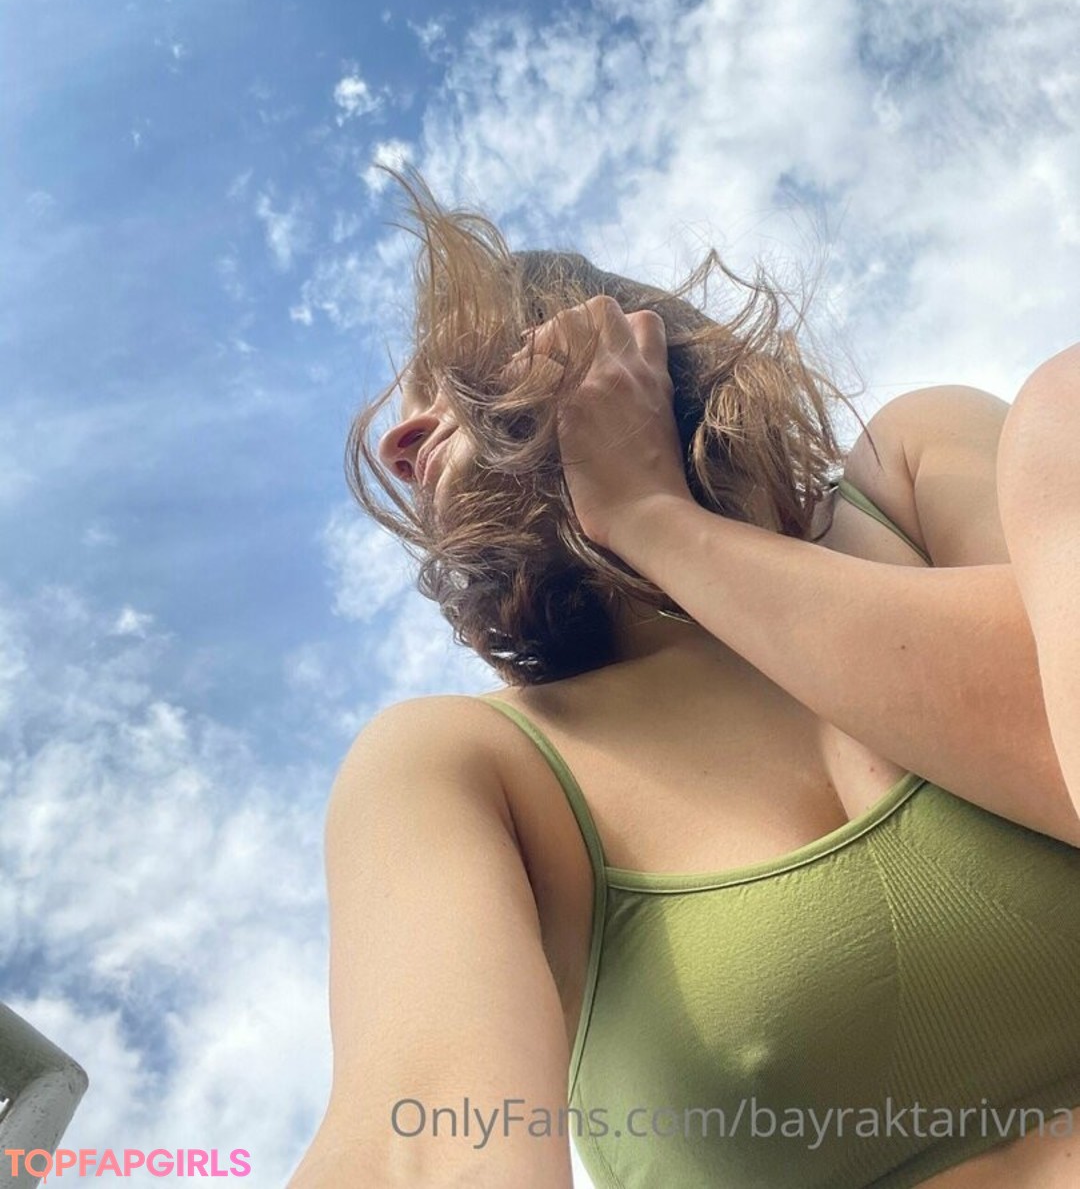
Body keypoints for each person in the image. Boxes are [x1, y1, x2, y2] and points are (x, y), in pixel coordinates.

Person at [287, 167, 1080, 1189]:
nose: (400, 444)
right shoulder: (467, 764)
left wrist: (659, 524)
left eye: (454, 379)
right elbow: (425, 1147)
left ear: (618, 334)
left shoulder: (915, 469)